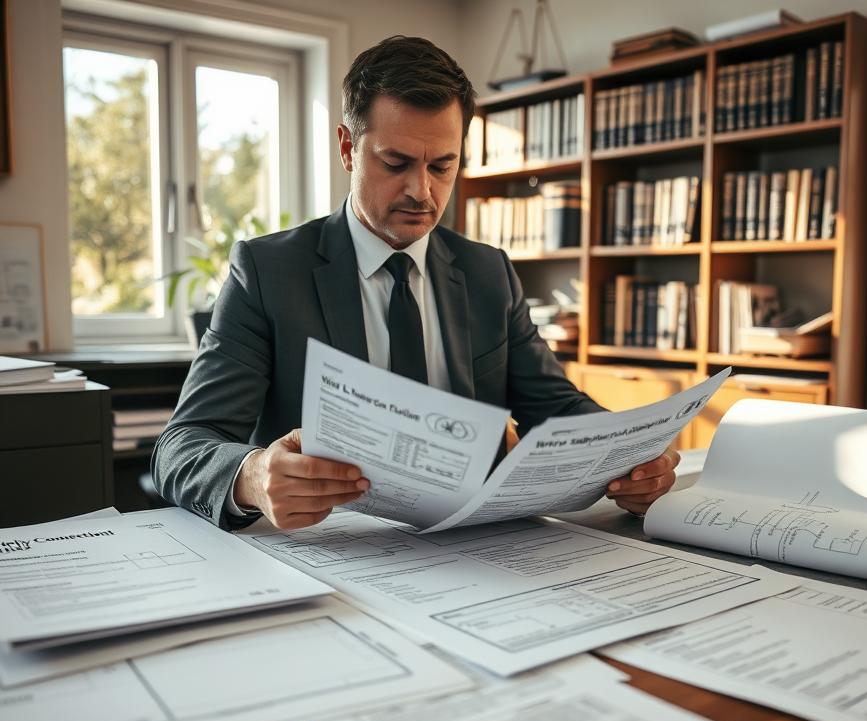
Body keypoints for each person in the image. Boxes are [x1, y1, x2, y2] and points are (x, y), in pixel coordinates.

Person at [152, 35, 680, 532]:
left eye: (443, 166)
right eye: (396, 162)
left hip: (481, 546)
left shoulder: (487, 272)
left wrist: (632, 455)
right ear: (347, 148)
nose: (420, 191)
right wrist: (252, 476)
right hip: (332, 550)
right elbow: (182, 447)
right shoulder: (268, 272)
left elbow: (558, 409)